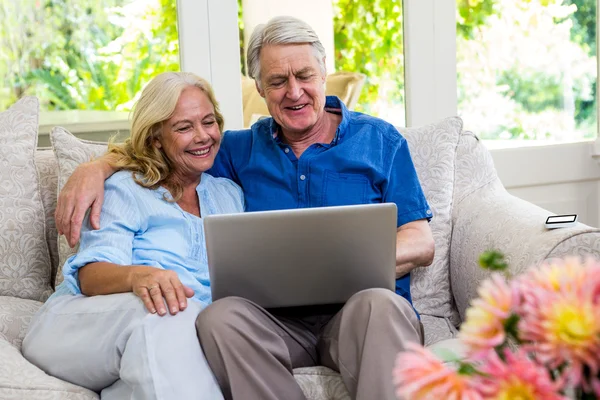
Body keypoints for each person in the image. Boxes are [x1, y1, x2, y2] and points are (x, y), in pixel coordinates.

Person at [55, 16, 435, 400]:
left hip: (362, 317)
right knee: (221, 316)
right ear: (260, 89)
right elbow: (168, 147)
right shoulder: (238, 149)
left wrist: (337, 264)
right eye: (277, 81)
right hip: (275, 324)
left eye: (304, 75)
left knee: (379, 305)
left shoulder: (381, 142)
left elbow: (421, 242)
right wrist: (95, 167)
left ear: (323, 75)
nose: (294, 92)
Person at [22, 72, 245, 400]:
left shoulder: (229, 195)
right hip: (84, 326)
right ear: (156, 137)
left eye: (209, 122)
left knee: (170, 334)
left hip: (164, 339)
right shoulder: (127, 188)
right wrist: (143, 275)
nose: (203, 136)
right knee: (171, 311)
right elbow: (90, 275)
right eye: (184, 127)